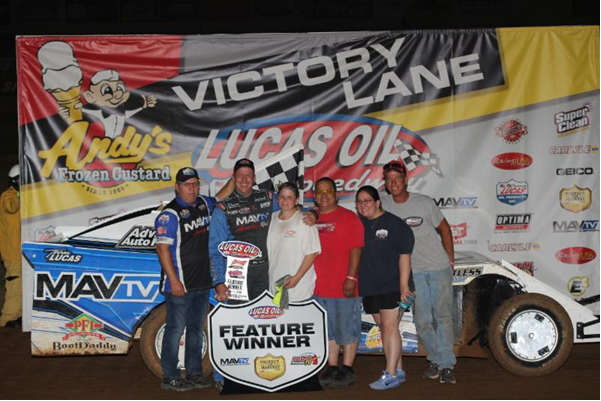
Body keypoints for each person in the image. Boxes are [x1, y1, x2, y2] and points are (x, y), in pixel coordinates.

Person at [380, 160, 457, 384]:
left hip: (438, 267)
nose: (394, 183)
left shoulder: (424, 202)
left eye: (397, 178)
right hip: (413, 273)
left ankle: (446, 365)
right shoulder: (382, 204)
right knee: (422, 321)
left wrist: (449, 258)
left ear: (406, 180)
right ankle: (434, 358)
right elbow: (361, 212)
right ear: (385, 183)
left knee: (443, 318)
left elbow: (444, 228)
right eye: (389, 179)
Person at [154, 167, 216, 392]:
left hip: (202, 282)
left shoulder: (204, 204)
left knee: (196, 329)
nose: (192, 188)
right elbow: (162, 249)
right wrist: (175, 281)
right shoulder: (168, 214)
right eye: (187, 184)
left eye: (195, 184)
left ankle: (194, 373)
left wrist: (234, 178)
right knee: (175, 329)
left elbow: (225, 197)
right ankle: (170, 375)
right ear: (177, 187)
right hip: (180, 284)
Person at [355, 185, 415, 390]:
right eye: (360, 201)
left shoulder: (394, 224)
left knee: (389, 326)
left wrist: (404, 287)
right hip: (370, 285)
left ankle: (389, 374)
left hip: (394, 285)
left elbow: (405, 255)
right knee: (386, 328)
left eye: (367, 201)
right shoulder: (358, 223)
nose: (363, 205)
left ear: (377, 202)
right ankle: (399, 371)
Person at [312, 177, 364, 388]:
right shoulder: (310, 218)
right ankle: (333, 367)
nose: (324, 196)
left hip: (344, 285)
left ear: (336, 194)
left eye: (328, 191)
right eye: (320, 192)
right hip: (318, 286)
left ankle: (348, 369)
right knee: (329, 331)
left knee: (347, 328)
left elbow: (356, 249)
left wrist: (351, 278)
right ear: (314, 196)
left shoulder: (349, 217)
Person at [267, 182, 321, 302]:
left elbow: (312, 253)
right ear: (277, 199)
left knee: (299, 320)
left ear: (296, 200)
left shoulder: (305, 220)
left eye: (289, 197)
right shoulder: (271, 219)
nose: (285, 200)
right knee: (280, 319)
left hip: (299, 287)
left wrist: (297, 278)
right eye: (282, 196)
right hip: (276, 286)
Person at [0, 165, 22, 328]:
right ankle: (6, 319)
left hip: (20, 249)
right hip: (12, 252)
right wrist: (21, 194)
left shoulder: (19, 196)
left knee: (21, 285)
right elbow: (11, 207)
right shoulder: (8, 195)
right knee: (15, 285)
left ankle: (18, 315)